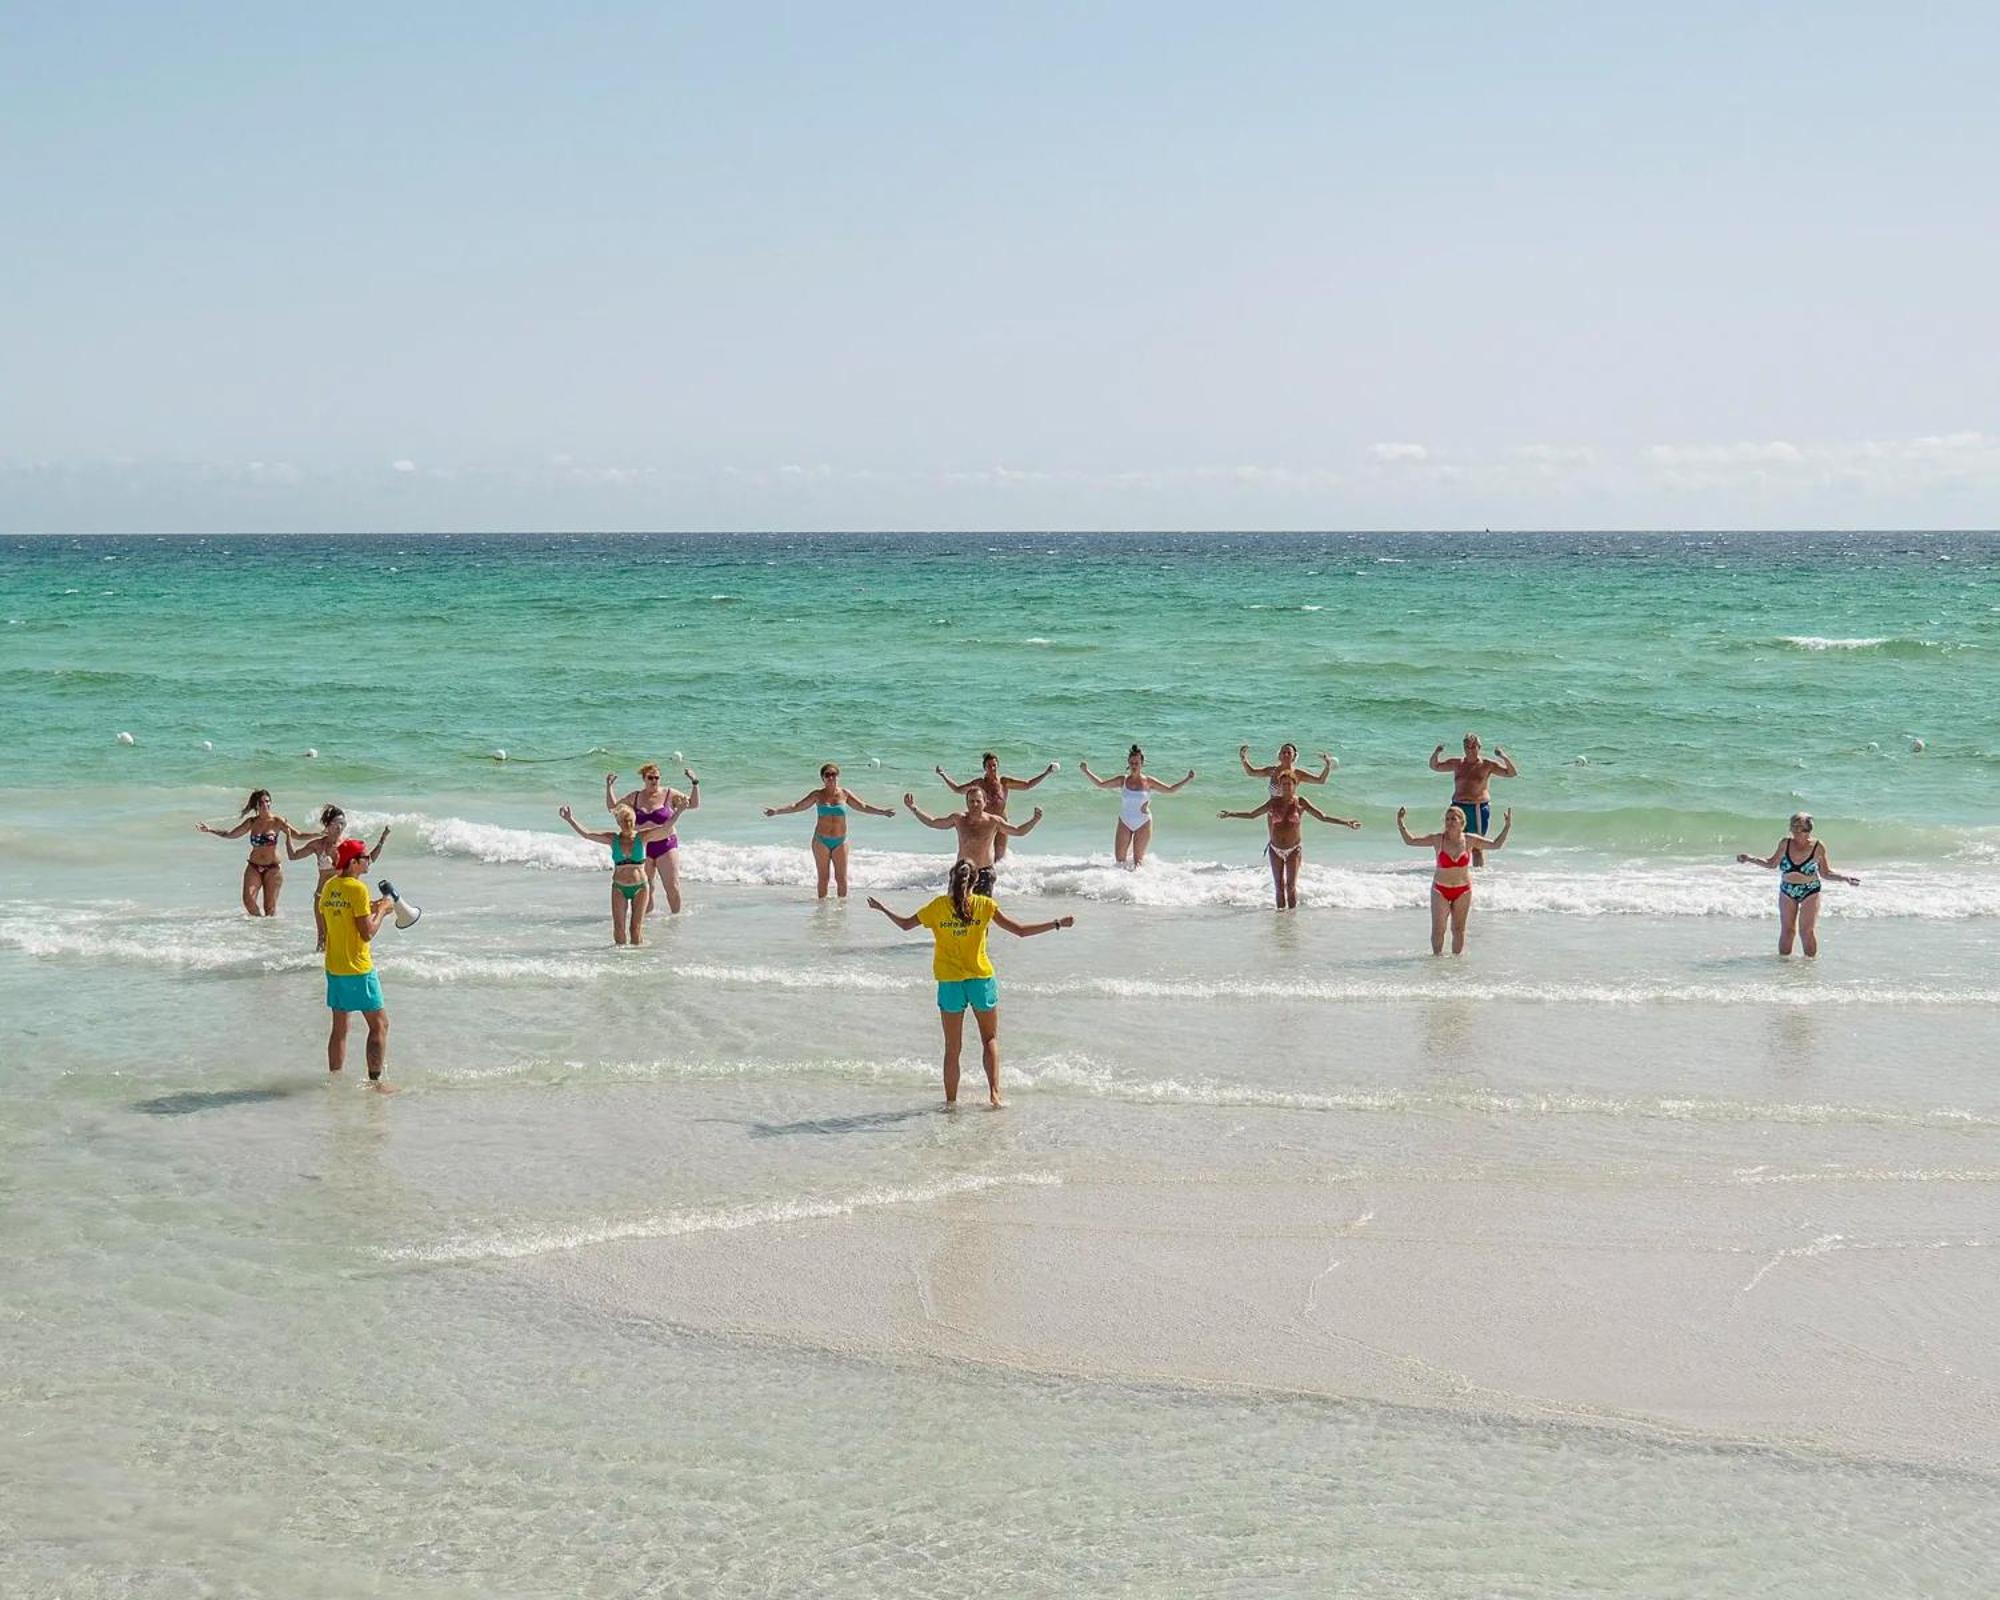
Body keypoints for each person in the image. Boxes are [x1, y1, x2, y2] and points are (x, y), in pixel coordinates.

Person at [866, 859, 1074, 1108]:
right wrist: (1057, 923)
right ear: (976, 881)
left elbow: (905, 925)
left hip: (950, 983)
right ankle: (994, 1095)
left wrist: (882, 908)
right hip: (980, 980)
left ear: (951, 880)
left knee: (952, 1048)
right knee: (990, 1039)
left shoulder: (938, 906)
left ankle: (951, 1103)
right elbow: (1019, 931)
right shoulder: (985, 905)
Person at [1219, 774, 1361, 910]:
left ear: (1295, 785)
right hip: (1275, 849)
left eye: (1289, 784)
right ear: (1280, 786)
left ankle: (1292, 918)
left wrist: (1346, 822)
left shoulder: (1301, 802)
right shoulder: (1273, 803)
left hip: (1293, 849)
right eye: (1283, 784)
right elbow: (1252, 815)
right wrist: (1231, 814)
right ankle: (1281, 918)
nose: (1286, 786)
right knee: (1279, 886)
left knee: (1290, 886)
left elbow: (1322, 817)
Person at [319, 838, 394, 1086]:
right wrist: (382, 910)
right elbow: (367, 933)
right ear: (353, 863)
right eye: (365, 857)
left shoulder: (331, 885)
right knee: (380, 1024)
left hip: (334, 966)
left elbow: (341, 915)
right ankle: (375, 1083)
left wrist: (370, 907)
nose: (369, 860)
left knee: (340, 1028)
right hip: (357, 968)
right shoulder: (358, 888)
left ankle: (335, 1079)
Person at [763, 762, 897, 900]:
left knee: (841, 878)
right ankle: (822, 908)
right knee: (823, 878)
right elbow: (796, 806)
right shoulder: (817, 795)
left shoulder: (845, 794)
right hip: (821, 840)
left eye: (833, 774)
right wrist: (776, 811)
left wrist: (883, 812)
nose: (831, 777)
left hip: (841, 841)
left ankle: (842, 907)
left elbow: (862, 806)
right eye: (827, 775)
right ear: (823, 778)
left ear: (838, 776)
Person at [1735, 812, 1860, 958]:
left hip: (1810, 890)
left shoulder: (1818, 846)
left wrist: (1845, 878)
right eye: (1792, 826)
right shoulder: (1785, 843)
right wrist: (1750, 858)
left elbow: (1826, 873)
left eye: (1798, 826)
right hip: (1787, 890)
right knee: (1787, 930)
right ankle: (1784, 965)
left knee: (1806, 931)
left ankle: (1809, 966)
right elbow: (1771, 863)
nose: (1794, 830)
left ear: (1808, 829)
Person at [1396, 804, 1512, 954]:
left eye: (1453, 819)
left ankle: (1456, 964)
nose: (1450, 822)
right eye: (1447, 819)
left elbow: (1496, 845)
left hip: (1463, 890)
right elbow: (1411, 841)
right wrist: (1400, 822)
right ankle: (1437, 961)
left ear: (1462, 822)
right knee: (1438, 929)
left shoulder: (1469, 840)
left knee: (1458, 929)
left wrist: (1507, 826)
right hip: (1440, 889)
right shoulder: (1438, 839)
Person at [558, 804, 681, 944]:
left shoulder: (642, 837)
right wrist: (570, 819)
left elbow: (665, 829)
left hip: (640, 888)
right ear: (618, 822)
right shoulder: (612, 839)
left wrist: (679, 811)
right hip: (619, 888)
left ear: (634, 821)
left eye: (630, 821)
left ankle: (637, 955)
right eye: (624, 821)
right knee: (618, 928)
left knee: (635, 929)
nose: (627, 824)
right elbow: (587, 834)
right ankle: (620, 955)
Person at [288, 805, 391, 952]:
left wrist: (382, 840)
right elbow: (293, 856)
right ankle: (317, 965)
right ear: (327, 825)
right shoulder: (318, 845)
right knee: (323, 938)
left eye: (343, 823)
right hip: (323, 897)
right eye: (336, 823)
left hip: (345, 897)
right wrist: (287, 835)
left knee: (346, 934)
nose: (340, 827)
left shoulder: (347, 846)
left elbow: (368, 860)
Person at [903, 788, 1044, 893]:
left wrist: (1035, 820)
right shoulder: (959, 819)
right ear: (966, 803)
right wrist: (914, 808)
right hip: (962, 871)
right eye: (971, 801)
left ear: (985, 803)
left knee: (981, 914)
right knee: (955, 911)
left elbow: (1018, 831)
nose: (975, 804)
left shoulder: (993, 821)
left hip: (984, 872)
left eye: (978, 801)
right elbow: (933, 822)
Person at [605, 763, 700, 915]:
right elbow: (613, 808)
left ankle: (676, 920)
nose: (654, 780)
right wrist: (609, 786)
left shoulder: (669, 794)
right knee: (647, 888)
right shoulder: (635, 797)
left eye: (657, 777)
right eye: (650, 778)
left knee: (672, 886)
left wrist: (694, 782)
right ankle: (647, 922)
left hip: (666, 845)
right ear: (644, 779)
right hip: (643, 847)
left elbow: (693, 804)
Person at [196, 788, 308, 916]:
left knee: (270, 908)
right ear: (256, 805)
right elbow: (230, 834)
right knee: (248, 900)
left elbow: (298, 835)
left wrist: (319, 835)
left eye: (267, 801)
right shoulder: (251, 822)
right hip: (254, 866)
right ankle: (258, 924)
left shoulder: (278, 821)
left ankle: (268, 928)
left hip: (273, 868)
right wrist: (210, 830)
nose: (265, 804)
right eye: (261, 802)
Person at [1079, 745, 1195, 867]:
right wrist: (1086, 771)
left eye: (1137, 763)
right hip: (1125, 821)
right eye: (1132, 763)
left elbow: (1170, 790)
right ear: (1128, 763)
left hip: (1143, 822)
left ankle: (1139, 878)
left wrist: (1188, 779)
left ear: (1142, 764)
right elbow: (1101, 784)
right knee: (1120, 861)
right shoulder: (1122, 780)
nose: (1134, 766)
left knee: (1138, 863)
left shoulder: (1148, 781)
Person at [934, 752, 1057, 863]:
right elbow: (957, 789)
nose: (992, 768)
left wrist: (1046, 773)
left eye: (994, 765)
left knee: (1000, 857)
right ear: (984, 768)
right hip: (984, 823)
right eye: (989, 766)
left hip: (1001, 823)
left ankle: (998, 878)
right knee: (981, 855)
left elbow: (1027, 785)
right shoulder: (979, 783)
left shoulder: (1004, 782)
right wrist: (943, 775)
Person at [1428, 733, 1519, 866]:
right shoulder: (1457, 763)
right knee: (1453, 843)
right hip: (1457, 807)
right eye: (1467, 747)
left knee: (1477, 847)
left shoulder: (1487, 765)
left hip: (1477, 808)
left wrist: (1503, 757)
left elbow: (1511, 773)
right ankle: (1455, 873)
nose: (1470, 750)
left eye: (1473, 747)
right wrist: (1436, 753)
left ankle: (1478, 875)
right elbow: (1434, 766)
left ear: (1479, 747)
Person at [1239, 742, 1335, 795]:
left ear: (1294, 756)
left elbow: (1320, 780)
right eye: (1283, 752)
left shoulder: (1298, 774)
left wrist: (1327, 766)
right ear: (1279, 755)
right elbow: (1251, 772)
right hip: (1273, 809)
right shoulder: (1272, 771)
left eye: (1289, 753)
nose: (1286, 754)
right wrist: (1243, 758)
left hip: (1290, 810)